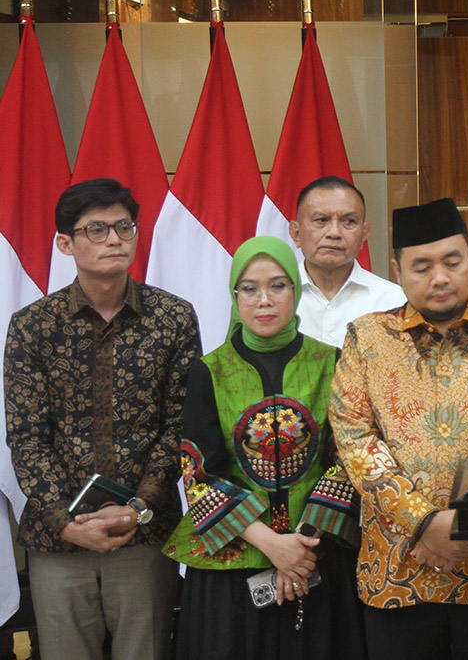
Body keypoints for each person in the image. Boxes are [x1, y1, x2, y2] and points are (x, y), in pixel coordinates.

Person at [330, 198, 468, 660]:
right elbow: (354, 438)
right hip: (399, 567)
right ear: (396, 270)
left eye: (452, 261)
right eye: (421, 266)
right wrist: (424, 523)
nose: (440, 277)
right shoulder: (367, 338)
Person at [4, 178, 201, 660]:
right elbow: (27, 437)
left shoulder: (173, 317)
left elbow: (180, 426)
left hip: (145, 533)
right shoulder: (32, 326)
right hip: (58, 542)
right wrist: (65, 522)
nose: (114, 239)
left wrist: (138, 506)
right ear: (65, 243)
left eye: (123, 227)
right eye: (96, 229)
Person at [162, 236, 363, 660]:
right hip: (232, 564)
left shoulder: (333, 362)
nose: (264, 300)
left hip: (318, 555)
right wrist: (272, 544)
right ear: (235, 296)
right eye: (249, 288)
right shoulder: (208, 371)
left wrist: (301, 547)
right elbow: (198, 472)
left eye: (278, 285)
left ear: (295, 290)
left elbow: (346, 457)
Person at [290, 176, 404, 347]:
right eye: (321, 220)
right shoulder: (273, 301)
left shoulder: (395, 302)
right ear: (296, 233)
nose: (334, 233)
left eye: (348, 221)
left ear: (364, 233)